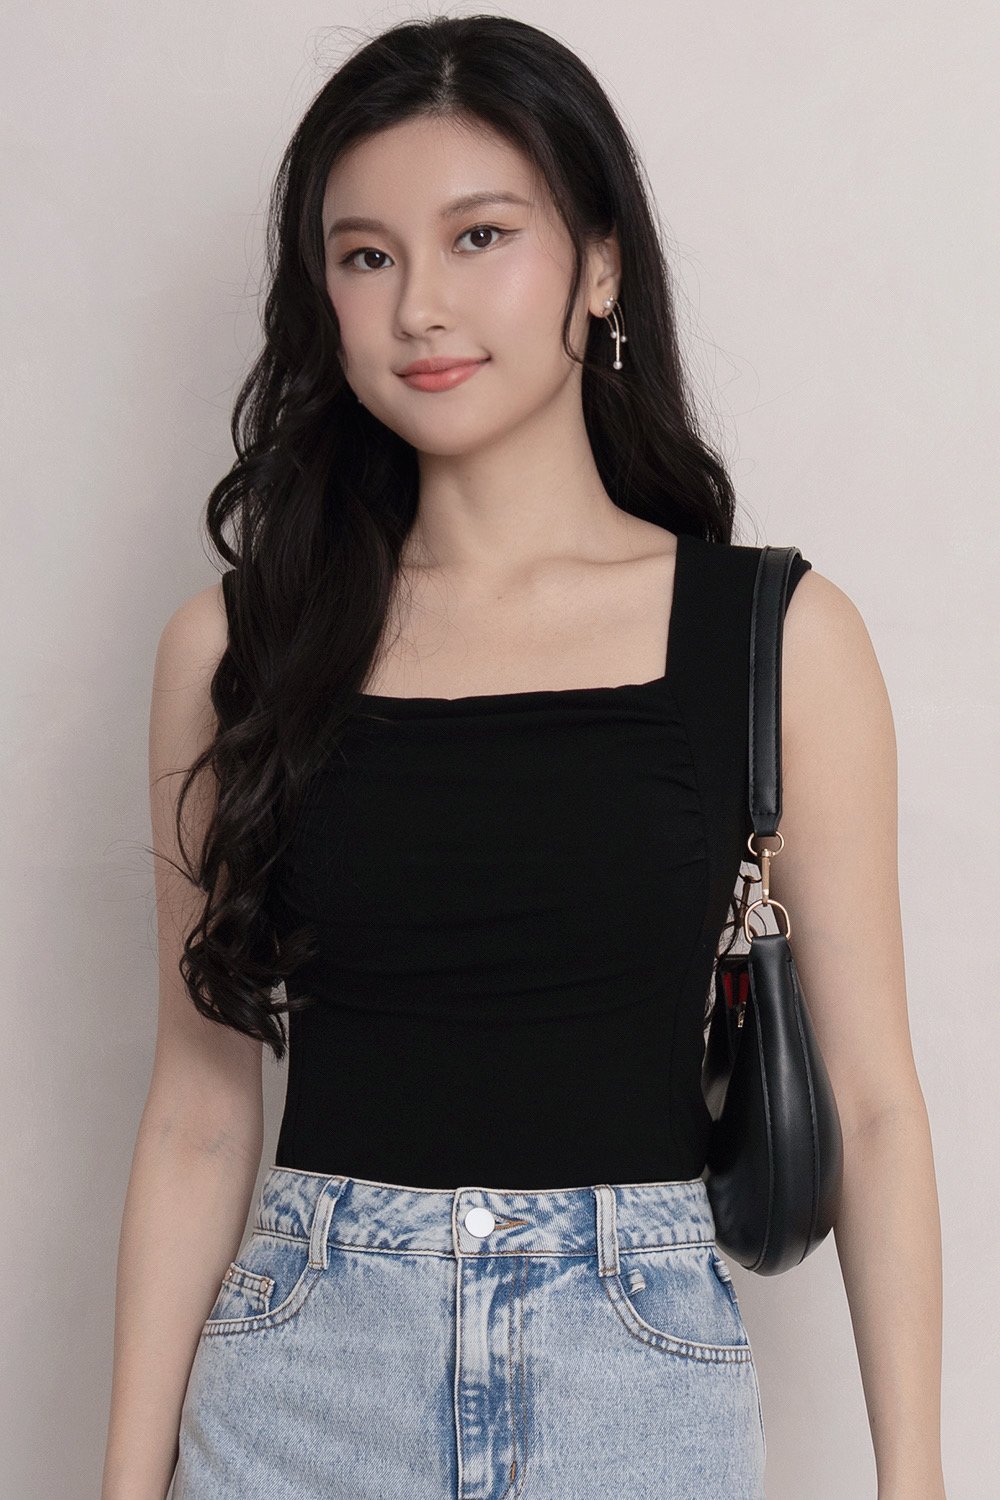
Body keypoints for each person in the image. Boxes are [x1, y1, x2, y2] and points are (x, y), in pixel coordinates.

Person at [101, 14, 947, 1500]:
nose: (420, 305)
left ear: (600, 264)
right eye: (366, 256)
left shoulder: (773, 637)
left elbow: (874, 1109)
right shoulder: (235, 648)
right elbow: (197, 1111)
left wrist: (917, 1479)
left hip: (637, 1388)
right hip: (302, 1381)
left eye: (479, 236)